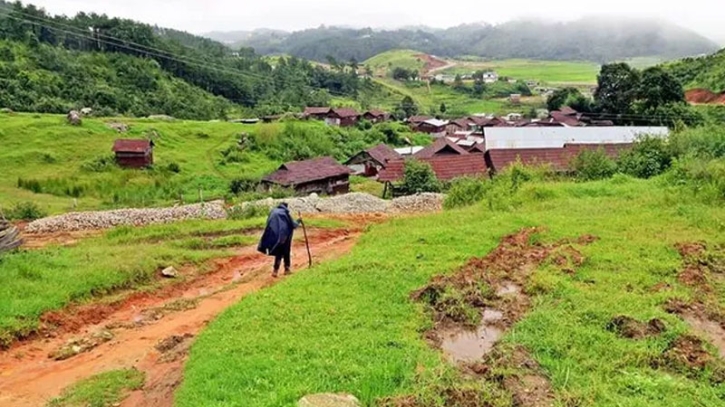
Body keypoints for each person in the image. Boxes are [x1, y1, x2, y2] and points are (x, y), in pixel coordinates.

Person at [257, 203, 302, 277]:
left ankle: (275, 270)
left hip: (274, 235)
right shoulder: (285, 213)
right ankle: (286, 269)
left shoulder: (273, 211)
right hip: (284, 236)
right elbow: (293, 225)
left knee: (279, 252)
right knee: (286, 251)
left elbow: (268, 222)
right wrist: (299, 220)